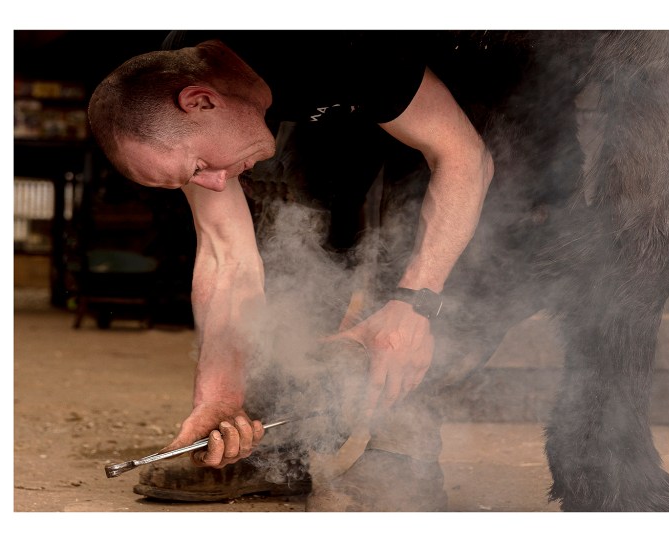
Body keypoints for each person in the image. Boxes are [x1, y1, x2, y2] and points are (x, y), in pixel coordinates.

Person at [88, 30, 494, 510]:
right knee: (288, 219)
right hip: (333, 101)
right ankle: (279, 446)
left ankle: (401, 447)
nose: (211, 183)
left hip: (452, 64)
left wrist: (415, 304)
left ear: (200, 101)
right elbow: (227, 254)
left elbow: (465, 157)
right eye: (192, 178)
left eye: (199, 165)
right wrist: (219, 397)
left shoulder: (335, 42)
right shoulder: (175, 81)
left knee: (423, 225)